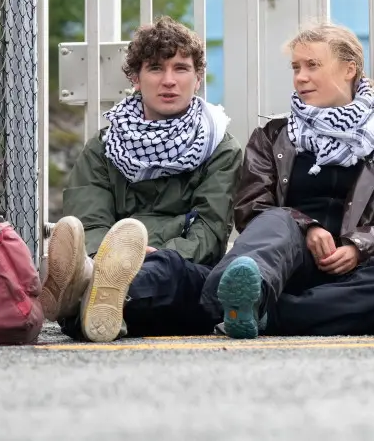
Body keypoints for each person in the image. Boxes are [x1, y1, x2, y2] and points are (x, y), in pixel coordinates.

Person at [204, 22, 374, 338]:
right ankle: (254, 298)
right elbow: (251, 209)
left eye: (312, 65)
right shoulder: (272, 135)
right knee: (278, 220)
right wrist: (305, 228)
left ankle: (263, 313)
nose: (300, 77)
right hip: (283, 267)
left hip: (355, 273)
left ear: (349, 69)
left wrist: (357, 247)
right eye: (296, 67)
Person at [41, 17, 241, 342]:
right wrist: (105, 257)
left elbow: (209, 234)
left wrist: (144, 256)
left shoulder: (220, 148)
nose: (169, 81)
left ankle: (85, 292)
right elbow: (89, 223)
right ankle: (99, 301)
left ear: (198, 78)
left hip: (181, 273)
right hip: (109, 263)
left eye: (180, 68)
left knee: (168, 274)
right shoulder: (104, 147)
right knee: (97, 300)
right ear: (136, 78)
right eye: (156, 68)